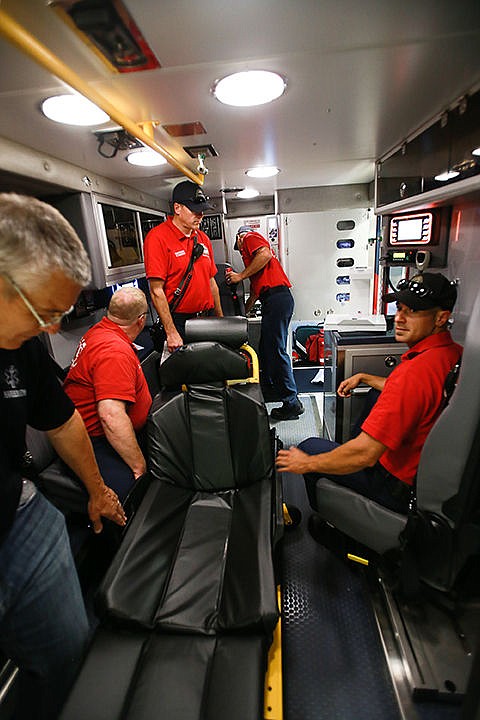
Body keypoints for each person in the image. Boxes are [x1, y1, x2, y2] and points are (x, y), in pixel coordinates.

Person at [0, 193, 126, 720]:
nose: (54, 329)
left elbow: (63, 419)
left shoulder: (22, 343)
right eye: (45, 312)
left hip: (18, 510)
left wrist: (98, 490)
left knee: (68, 653)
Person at [276, 272, 462, 514]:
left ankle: (332, 524)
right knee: (375, 396)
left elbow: (365, 455)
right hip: (426, 478)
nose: (400, 319)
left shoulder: (413, 373)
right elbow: (416, 396)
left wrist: (307, 463)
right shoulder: (451, 355)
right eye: (401, 308)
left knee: (310, 446)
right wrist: (364, 378)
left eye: (413, 312)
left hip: (395, 485)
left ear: (441, 318)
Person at [64, 287, 152, 502]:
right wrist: (138, 466)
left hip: (110, 434)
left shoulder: (101, 330)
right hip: (96, 440)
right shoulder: (113, 351)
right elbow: (110, 416)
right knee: (133, 493)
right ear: (141, 320)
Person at [226, 225, 303, 420]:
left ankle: (291, 402)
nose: (241, 252)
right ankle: (272, 390)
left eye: (238, 247)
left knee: (275, 350)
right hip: (273, 301)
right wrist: (241, 314)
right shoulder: (255, 267)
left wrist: (240, 276)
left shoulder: (250, 236)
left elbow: (266, 254)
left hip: (277, 299)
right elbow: (254, 294)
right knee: (266, 349)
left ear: (239, 237)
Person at [143, 180, 223, 354]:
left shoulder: (202, 238)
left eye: (202, 211)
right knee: (183, 376)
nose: (200, 215)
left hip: (206, 318)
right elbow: (156, 291)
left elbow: (211, 282)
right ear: (177, 208)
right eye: (195, 210)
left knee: (210, 372)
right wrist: (171, 332)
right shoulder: (157, 238)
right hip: (179, 322)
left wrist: (220, 319)